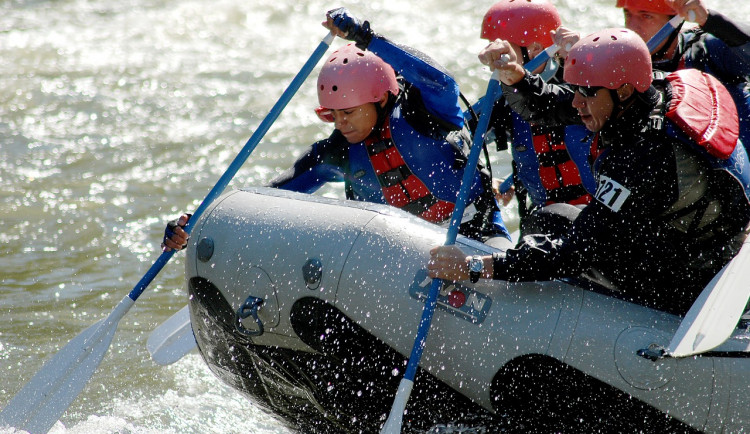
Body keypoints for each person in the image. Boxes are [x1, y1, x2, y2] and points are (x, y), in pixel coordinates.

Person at [428, 28, 750, 314]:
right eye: (577, 90)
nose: (578, 103)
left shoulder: (640, 158)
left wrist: (474, 267)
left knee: (548, 223)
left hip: (690, 279)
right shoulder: (661, 88)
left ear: (622, 91)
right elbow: (555, 106)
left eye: (587, 92)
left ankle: (560, 322)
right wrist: (516, 76)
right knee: (552, 215)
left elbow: (571, 254)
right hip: (711, 245)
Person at [162, 8, 512, 253]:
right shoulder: (337, 153)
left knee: (505, 267)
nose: (340, 123)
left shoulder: (429, 114)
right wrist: (198, 223)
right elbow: (265, 199)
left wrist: (365, 37)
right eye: (332, 115)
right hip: (407, 255)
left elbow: (438, 78)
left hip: (476, 235)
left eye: (348, 112)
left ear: (379, 100)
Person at [473, 0, 596, 238]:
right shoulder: (503, 100)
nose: (494, 58)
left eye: (502, 50)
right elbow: (462, 135)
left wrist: (585, 62)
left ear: (536, 50)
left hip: (597, 219)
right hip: (544, 223)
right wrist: (488, 180)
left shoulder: (585, 88)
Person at [616, 0, 750, 147]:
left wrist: (710, 19)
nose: (631, 28)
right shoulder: (622, 72)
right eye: (628, 14)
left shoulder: (708, 51)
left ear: (674, 22)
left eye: (646, 16)